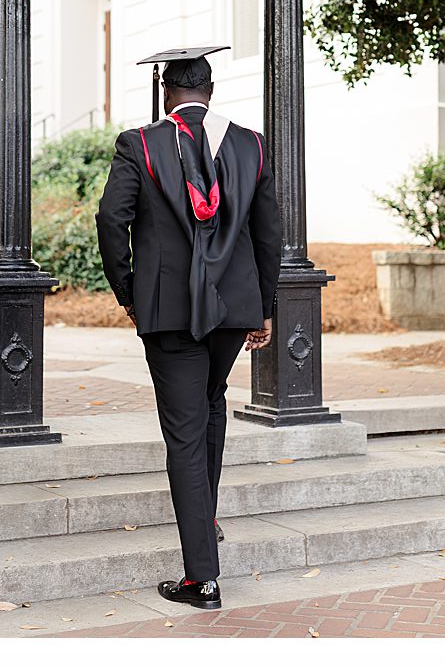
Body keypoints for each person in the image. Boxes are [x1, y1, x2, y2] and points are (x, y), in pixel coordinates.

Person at [95, 46, 283, 611]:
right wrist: (264, 306)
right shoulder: (250, 144)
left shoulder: (140, 143)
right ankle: (207, 518)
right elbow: (270, 230)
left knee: (184, 430)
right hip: (232, 310)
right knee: (212, 405)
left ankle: (201, 578)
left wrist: (130, 293)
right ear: (210, 90)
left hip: (169, 312)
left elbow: (111, 219)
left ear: (166, 92)